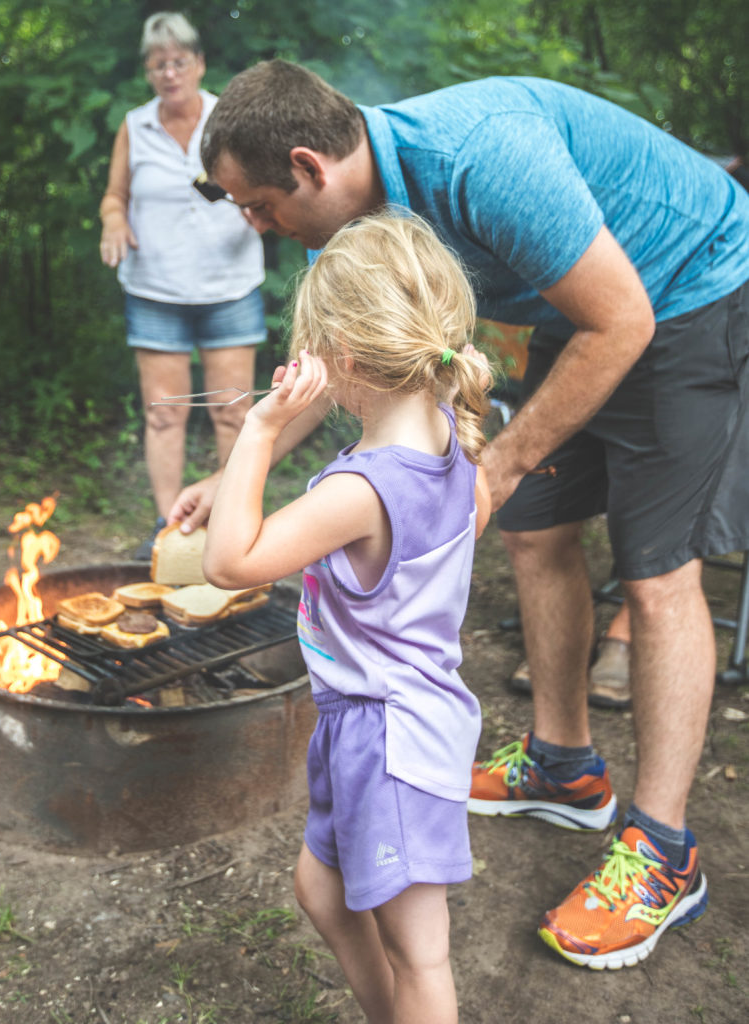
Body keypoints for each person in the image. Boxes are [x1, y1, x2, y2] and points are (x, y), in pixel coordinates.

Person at [171, 59, 749, 970]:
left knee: (657, 570)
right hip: (597, 298)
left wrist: (505, 462)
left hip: (683, 290)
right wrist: (235, 469)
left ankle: (663, 851)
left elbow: (623, 319)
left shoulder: (480, 160)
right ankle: (565, 766)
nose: (256, 226)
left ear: (307, 165)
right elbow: (335, 360)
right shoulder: (350, 230)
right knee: (534, 532)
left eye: (257, 204)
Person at [203, 212, 492, 1023]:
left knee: (420, 953)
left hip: (391, 737)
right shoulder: (450, 437)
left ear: (347, 359)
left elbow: (229, 562)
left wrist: (259, 430)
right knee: (320, 891)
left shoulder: (358, 491)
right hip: (365, 721)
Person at [98, 12, 265, 557]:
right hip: (156, 293)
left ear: (199, 64)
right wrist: (114, 220)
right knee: (165, 413)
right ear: (148, 72)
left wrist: (255, 209)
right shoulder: (135, 125)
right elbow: (114, 195)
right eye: (158, 65)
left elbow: (255, 190)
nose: (169, 73)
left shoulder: (228, 118)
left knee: (233, 411)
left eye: (179, 62)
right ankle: (168, 527)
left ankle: (229, 520)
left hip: (230, 288)